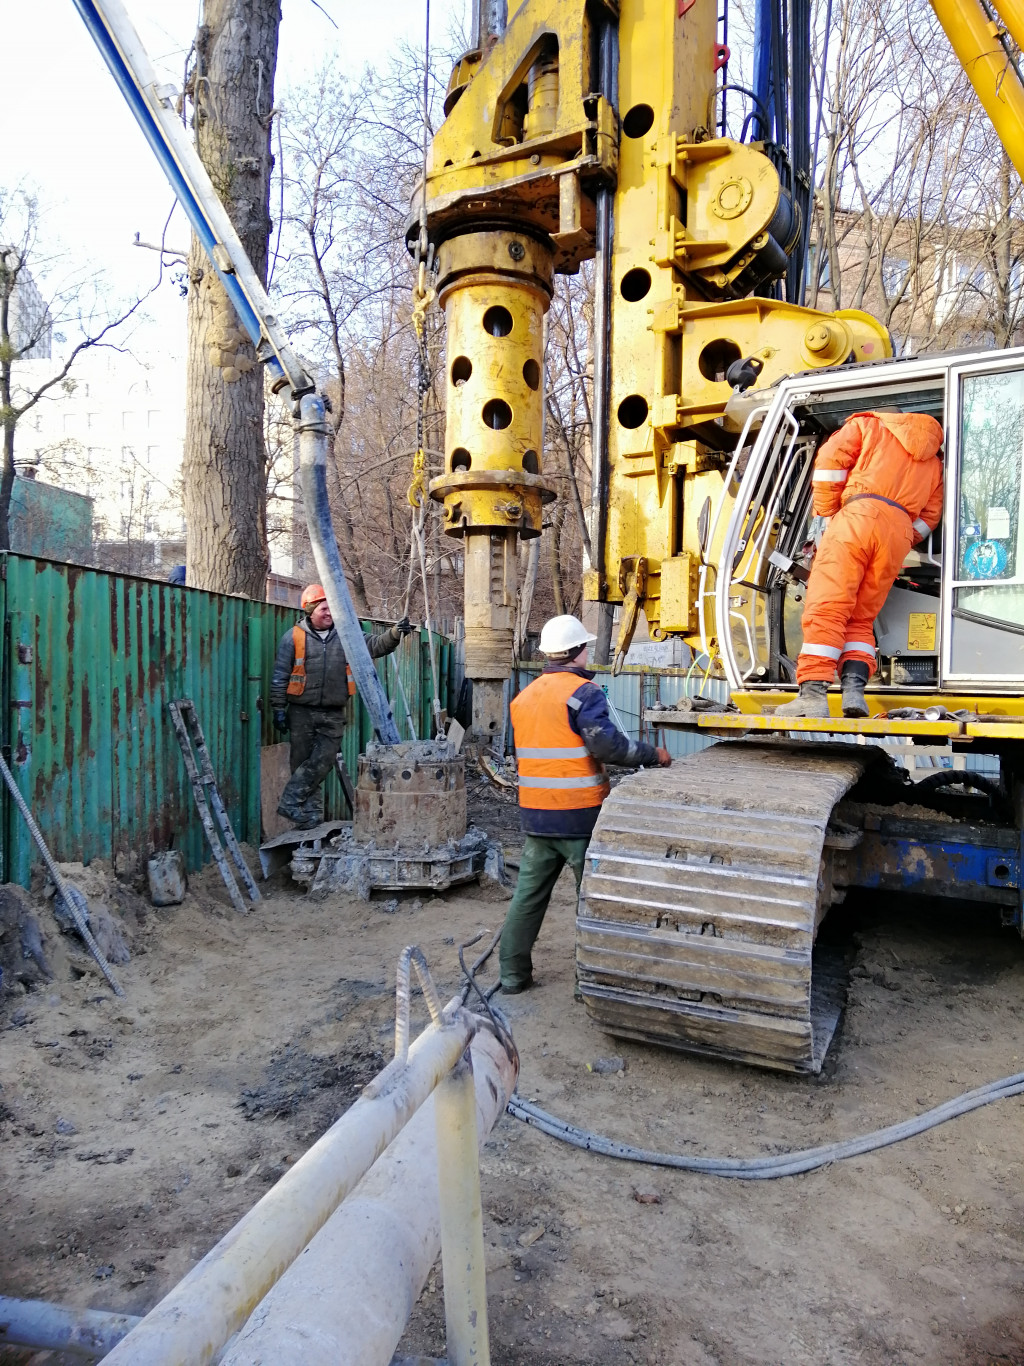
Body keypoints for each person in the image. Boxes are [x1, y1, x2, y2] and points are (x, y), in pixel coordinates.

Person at [499, 614, 672, 994]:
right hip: (579, 818)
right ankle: (587, 981)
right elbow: (605, 746)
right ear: (579, 652)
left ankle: (512, 976)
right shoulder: (584, 694)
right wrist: (653, 754)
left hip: (536, 817)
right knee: (590, 900)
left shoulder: (523, 697)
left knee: (528, 898)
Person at [778, 408, 944, 719]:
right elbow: (930, 518)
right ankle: (853, 692)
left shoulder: (867, 426)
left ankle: (813, 694)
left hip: (857, 517)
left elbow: (829, 463)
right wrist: (902, 538)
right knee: (860, 619)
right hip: (896, 534)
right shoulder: (935, 463)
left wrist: (827, 514)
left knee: (828, 607)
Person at [271, 584, 413, 828]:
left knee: (322, 761)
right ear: (311, 611)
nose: (329, 614)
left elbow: (376, 645)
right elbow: (280, 675)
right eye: (324, 609)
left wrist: (395, 634)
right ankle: (310, 819)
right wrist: (278, 709)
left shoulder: (347, 633)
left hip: (333, 712)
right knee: (302, 764)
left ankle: (290, 803)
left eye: (332, 609)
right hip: (301, 711)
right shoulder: (292, 637)